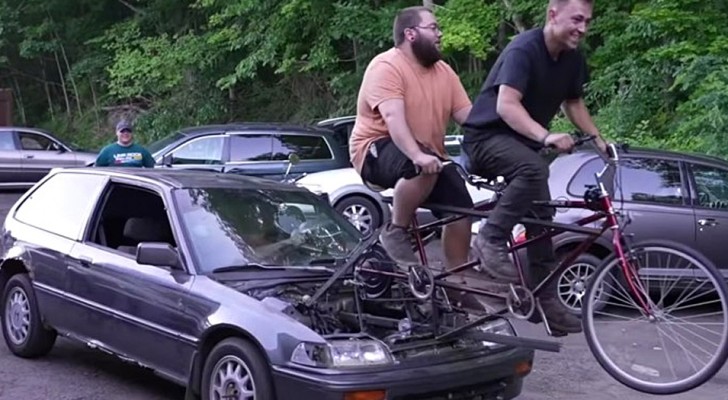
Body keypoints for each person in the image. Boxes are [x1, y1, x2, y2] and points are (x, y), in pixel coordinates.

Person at [461, 0, 608, 335]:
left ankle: (545, 300)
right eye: (576, 20)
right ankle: (490, 238)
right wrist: (546, 136)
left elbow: (574, 103)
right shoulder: (523, 49)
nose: (582, 29)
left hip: (522, 146)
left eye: (587, 22)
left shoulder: (571, 58)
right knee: (534, 170)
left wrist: (599, 140)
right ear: (552, 14)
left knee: (543, 214)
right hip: (486, 139)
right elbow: (506, 105)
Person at [349, 6, 474, 285]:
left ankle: (457, 280)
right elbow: (393, 118)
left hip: (428, 156)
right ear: (411, 34)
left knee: (463, 210)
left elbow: (469, 116)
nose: (440, 33)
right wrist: (417, 154)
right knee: (421, 165)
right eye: (433, 27)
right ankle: (396, 230)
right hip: (375, 149)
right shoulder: (387, 66)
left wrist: (510, 130)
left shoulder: (444, 72)